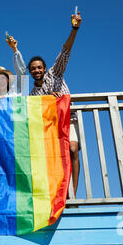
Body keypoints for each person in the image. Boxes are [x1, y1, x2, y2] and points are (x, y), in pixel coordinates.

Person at [20, 12, 82, 196]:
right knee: (54, 159)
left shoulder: (55, 74)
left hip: (68, 119)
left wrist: (74, 29)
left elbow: (65, 51)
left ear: (44, 68)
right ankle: (59, 193)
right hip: (50, 128)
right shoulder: (33, 94)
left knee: (72, 150)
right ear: (30, 72)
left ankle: (74, 194)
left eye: (39, 67)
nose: (37, 70)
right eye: (33, 69)